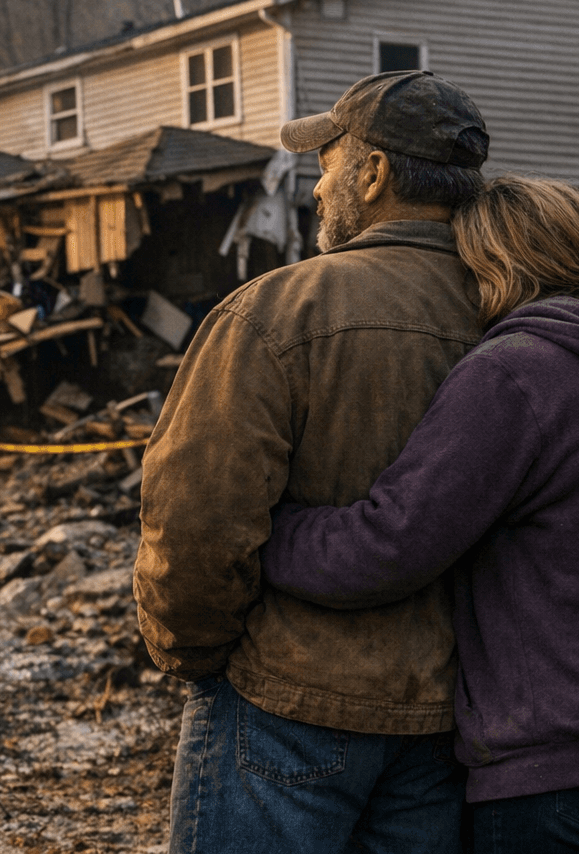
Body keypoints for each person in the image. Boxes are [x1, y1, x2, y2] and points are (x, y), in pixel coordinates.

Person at [260, 175, 579, 853]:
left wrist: (269, 533)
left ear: (491, 266)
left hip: (565, 756)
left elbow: (389, 543)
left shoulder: (515, 372)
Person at [135, 69, 490, 854]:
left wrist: (193, 655)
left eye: (327, 164)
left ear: (374, 173)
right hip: (448, 713)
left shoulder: (274, 309)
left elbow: (195, 518)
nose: (317, 188)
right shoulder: (513, 309)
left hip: (286, 702)